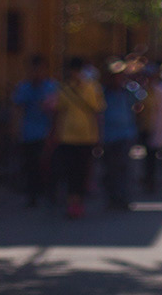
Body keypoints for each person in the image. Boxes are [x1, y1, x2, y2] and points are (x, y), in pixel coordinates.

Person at [54, 56, 104, 218]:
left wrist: (99, 135)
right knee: (69, 171)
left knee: (82, 172)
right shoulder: (63, 89)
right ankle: (71, 201)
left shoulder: (92, 88)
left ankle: (78, 201)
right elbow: (59, 113)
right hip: (67, 137)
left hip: (86, 137)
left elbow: (98, 112)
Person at [13, 55, 57, 206]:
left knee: (48, 165)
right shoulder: (24, 87)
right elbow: (18, 109)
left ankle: (51, 193)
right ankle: (32, 195)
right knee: (31, 165)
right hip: (29, 133)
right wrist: (16, 129)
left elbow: (57, 111)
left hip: (47, 132)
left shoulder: (51, 87)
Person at [101, 64, 138, 210]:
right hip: (108, 135)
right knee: (110, 169)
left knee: (124, 167)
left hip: (125, 134)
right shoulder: (103, 93)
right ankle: (112, 197)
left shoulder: (128, 92)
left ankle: (123, 197)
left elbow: (137, 107)